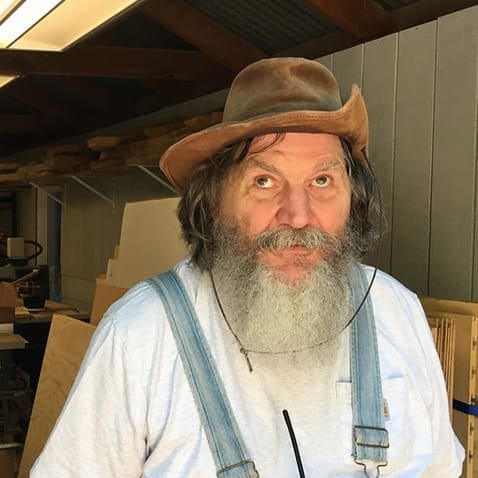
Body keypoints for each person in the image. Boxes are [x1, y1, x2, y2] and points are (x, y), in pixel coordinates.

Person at [31, 58, 464, 477]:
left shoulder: (398, 313)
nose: (297, 216)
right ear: (214, 200)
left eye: (322, 180)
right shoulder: (143, 333)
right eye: (264, 181)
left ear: (356, 199)